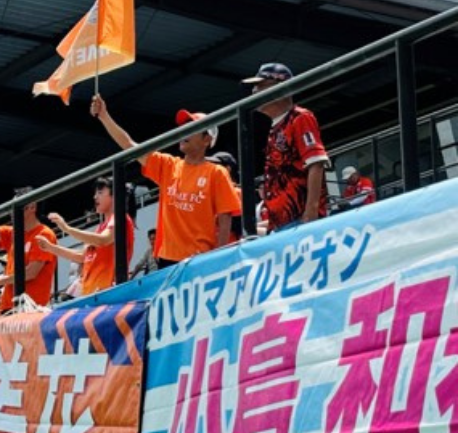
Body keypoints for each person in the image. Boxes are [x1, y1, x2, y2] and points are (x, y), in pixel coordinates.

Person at [91, 96, 240, 267]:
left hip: (199, 259)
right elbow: (129, 145)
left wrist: (218, 256)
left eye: (192, 127)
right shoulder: (168, 165)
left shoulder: (217, 173)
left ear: (207, 140)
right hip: (166, 260)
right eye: (184, 126)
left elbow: (225, 216)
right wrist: (104, 116)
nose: (184, 131)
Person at [243, 62, 329, 231]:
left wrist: (311, 212)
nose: (254, 92)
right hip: (282, 223)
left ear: (280, 88)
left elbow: (316, 163)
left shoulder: (300, 117)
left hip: (299, 219)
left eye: (260, 86)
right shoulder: (276, 126)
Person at [36, 177, 135, 295]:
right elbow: (82, 256)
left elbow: (103, 240)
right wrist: (50, 247)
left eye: (100, 192)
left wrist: (67, 229)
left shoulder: (120, 218)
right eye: (95, 193)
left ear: (114, 196)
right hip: (92, 293)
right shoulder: (100, 228)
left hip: (110, 293)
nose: (95, 197)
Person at [0, 187, 57, 311]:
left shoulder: (44, 234)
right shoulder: (12, 233)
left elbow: (31, 272)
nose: (11, 212)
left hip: (31, 307)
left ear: (32, 207)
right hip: (8, 307)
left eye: (16, 207)